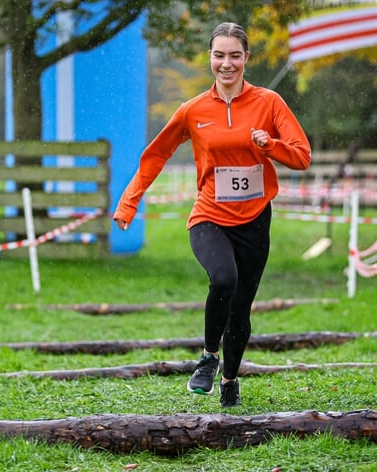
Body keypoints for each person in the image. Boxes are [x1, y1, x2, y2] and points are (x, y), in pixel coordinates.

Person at [112, 22, 311, 407]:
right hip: (209, 215)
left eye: (235, 55)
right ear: (210, 58)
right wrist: (129, 202)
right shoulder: (193, 110)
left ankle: (231, 380)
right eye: (219, 55)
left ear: (246, 59)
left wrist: (270, 145)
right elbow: (156, 155)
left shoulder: (269, 103)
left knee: (241, 309)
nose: (227, 64)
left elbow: (302, 155)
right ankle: (208, 357)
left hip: (254, 219)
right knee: (223, 279)